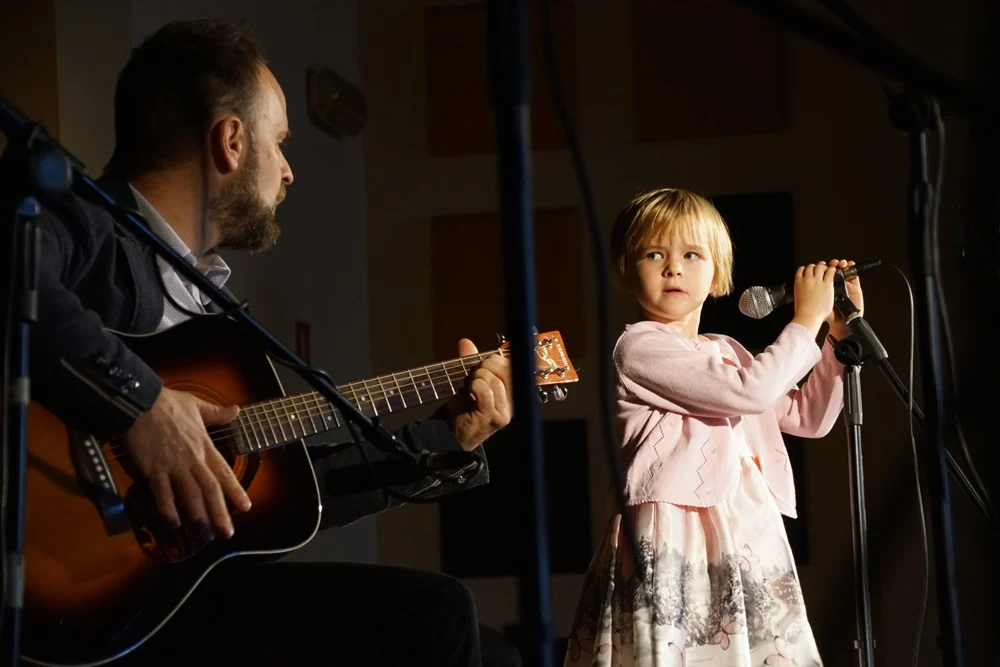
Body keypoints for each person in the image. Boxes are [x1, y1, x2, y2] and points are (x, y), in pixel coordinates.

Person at [31, 18, 519, 667]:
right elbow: (14, 284)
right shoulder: (84, 223)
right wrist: (142, 405)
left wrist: (446, 439)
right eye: (280, 142)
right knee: (437, 616)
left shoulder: (216, 319)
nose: (288, 172)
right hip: (71, 592)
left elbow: (288, 495)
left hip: (167, 594)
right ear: (231, 141)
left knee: (492, 650)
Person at [563, 188, 863, 666]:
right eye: (654, 253)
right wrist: (805, 320)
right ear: (626, 269)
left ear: (717, 271)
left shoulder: (726, 351)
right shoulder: (640, 348)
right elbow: (750, 391)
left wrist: (836, 339)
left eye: (691, 254)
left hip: (744, 529)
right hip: (675, 532)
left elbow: (809, 417)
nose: (673, 267)